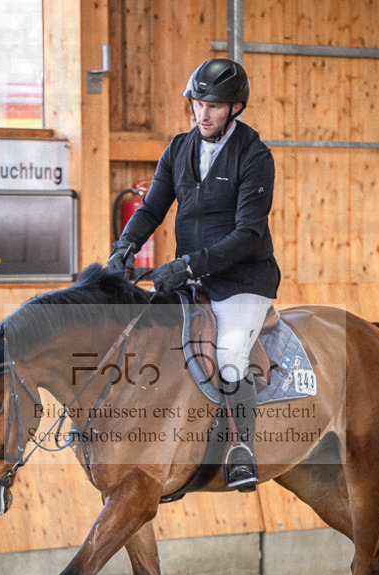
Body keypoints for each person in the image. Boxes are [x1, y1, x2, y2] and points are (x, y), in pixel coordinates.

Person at [107, 58, 280, 490]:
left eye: (214, 106)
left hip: (243, 283)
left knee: (229, 354)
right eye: (198, 103)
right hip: (194, 279)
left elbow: (247, 235)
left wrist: (187, 265)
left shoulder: (255, 156)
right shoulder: (179, 149)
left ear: (235, 108)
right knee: (145, 340)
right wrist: (125, 246)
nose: (203, 114)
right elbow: (151, 208)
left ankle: (242, 450)